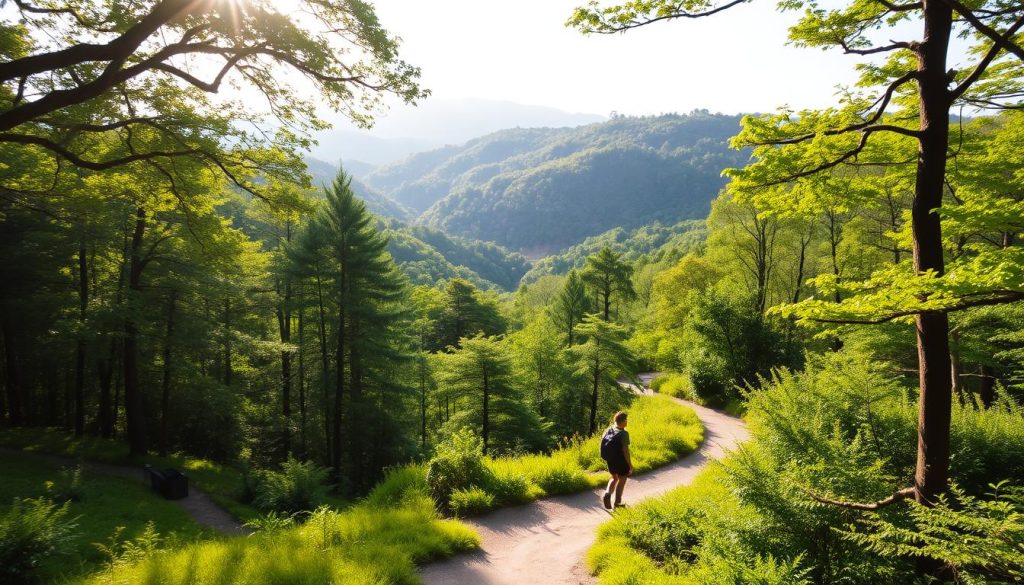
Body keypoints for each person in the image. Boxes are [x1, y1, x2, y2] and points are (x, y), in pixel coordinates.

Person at [599, 411, 632, 509]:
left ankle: (607, 493)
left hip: (610, 459)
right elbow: (625, 451)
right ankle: (617, 503)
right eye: (626, 420)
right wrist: (630, 464)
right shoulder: (624, 434)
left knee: (614, 478)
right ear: (623, 421)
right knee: (622, 479)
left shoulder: (609, 429)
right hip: (621, 460)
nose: (627, 422)